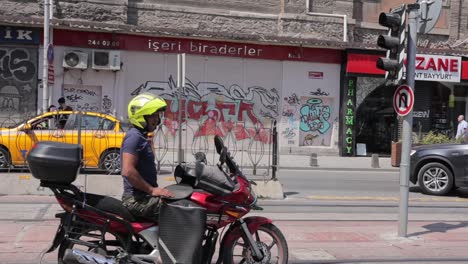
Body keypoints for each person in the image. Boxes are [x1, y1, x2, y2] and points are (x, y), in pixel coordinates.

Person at [121, 92, 174, 222]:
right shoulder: (134, 137)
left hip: (142, 196)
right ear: (141, 115)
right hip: (136, 200)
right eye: (153, 115)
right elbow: (127, 171)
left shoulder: (141, 136)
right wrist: (152, 190)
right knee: (179, 211)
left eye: (158, 115)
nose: (157, 119)